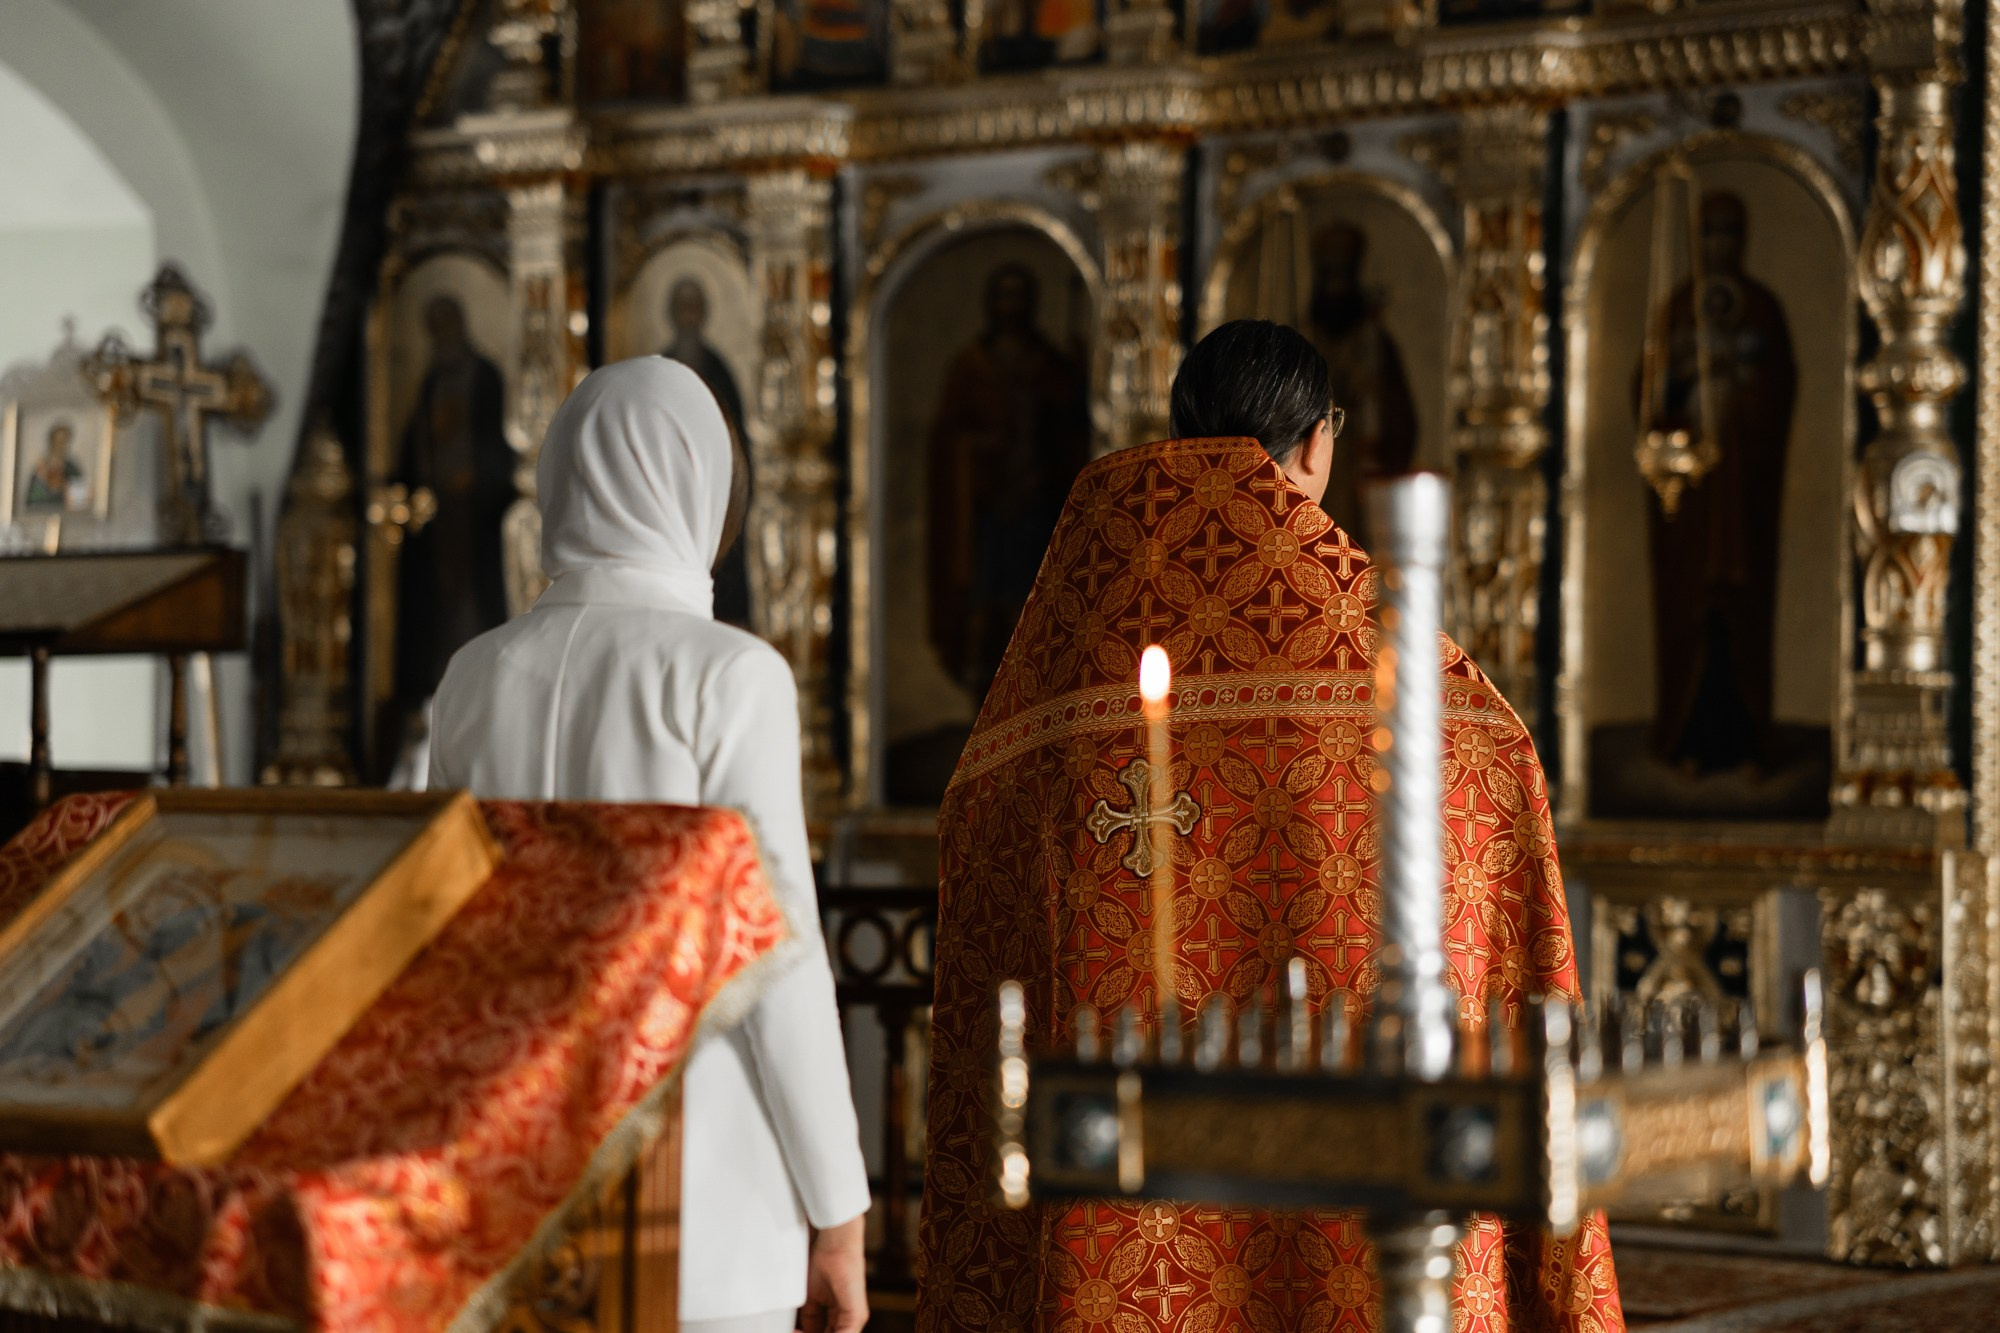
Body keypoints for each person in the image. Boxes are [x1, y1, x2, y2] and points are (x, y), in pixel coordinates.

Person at [916, 321, 1623, 1332]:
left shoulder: (1066, 653)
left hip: (1117, 1183)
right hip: (1363, 1190)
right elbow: (1495, 816)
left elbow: (979, 827)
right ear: (1316, 441)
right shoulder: (1423, 686)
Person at [429, 358, 871, 1333]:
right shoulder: (730, 676)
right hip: (706, 1216)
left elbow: (438, 941)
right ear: (699, 484)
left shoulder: (471, 676)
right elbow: (777, 960)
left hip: (514, 1193)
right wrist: (838, 1214)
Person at [1632, 190, 1796, 776]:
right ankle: (1687, 744)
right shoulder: (1677, 308)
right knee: (1690, 612)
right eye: (1710, 232)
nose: (1719, 244)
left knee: (1741, 612)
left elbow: (1779, 393)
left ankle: (1749, 746)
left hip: (1743, 496)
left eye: (1728, 231)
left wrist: (1743, 382)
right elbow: (1647, 397)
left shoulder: (1762, 310)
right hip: (1692, 506)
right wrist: (1683, 372)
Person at [1306, 222, 1418, 549]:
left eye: (1343, 276)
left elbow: (1401, 418)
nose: (1336, 287)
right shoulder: (1305, 340)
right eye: (1330, 276)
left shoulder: (1375, 343)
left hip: (1362, 464)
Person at [662, 279, 754, 628]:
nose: (688, 316)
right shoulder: (663, 362)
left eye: (693, 308)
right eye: (682, 308)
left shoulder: (718, 369)